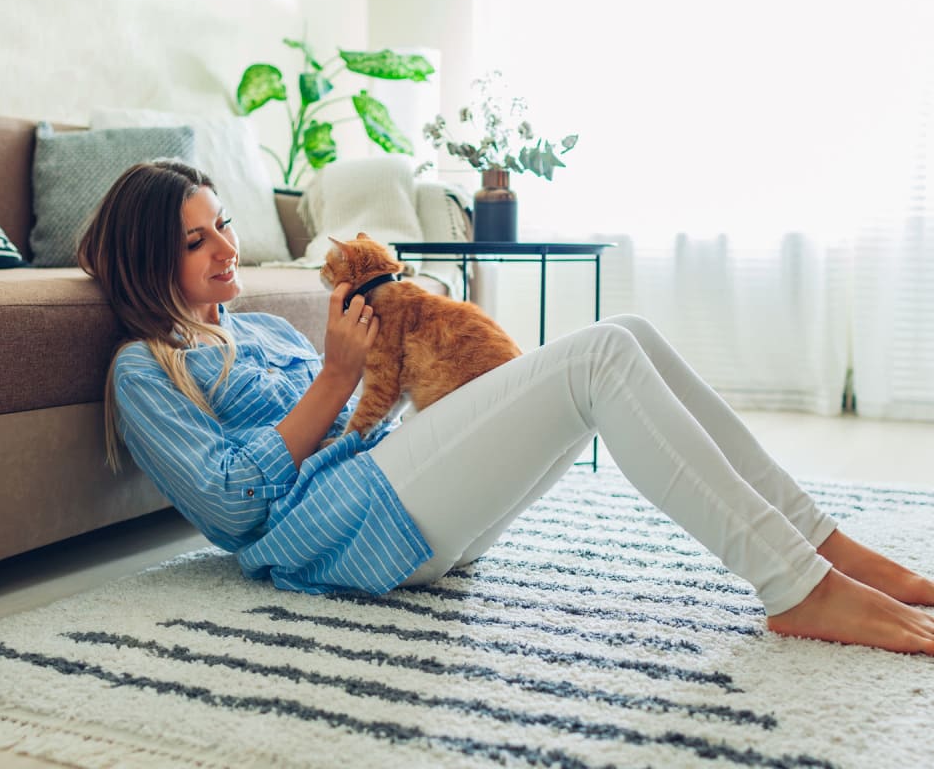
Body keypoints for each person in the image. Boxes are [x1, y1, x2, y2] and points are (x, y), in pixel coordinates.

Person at [78, 159, 934, 656]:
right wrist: (337, 382)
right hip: (339, 534)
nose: (229, 248)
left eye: (223, 224)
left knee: (624, 330)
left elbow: (365, 410)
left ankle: (821, 547)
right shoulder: (142, 372)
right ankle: (796, 588)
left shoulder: (258, 324)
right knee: (598, 355)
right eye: (198, 241)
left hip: (397, 493)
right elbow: (232, 507)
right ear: (148, 259)